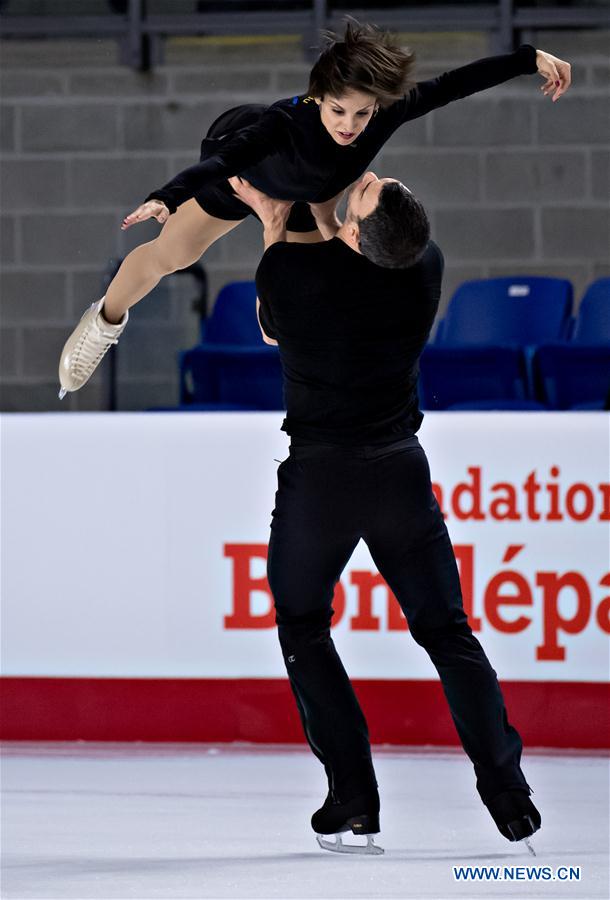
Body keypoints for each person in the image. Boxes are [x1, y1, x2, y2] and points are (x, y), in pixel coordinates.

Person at [227, 170, 541, 855]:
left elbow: (272, 326)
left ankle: (354, 798)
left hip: (322, 481)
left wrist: (275, 220)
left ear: (351, 232)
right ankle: (509, 797)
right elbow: (337, 259)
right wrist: (322, 218)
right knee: (447, 632)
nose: (373, 175)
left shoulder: (291, 274)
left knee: (303, 625)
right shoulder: (423, 265)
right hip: (400, 473)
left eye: (366, 190)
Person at [57, 21, 571, 398]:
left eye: (362, 114)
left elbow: (452, 85)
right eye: (338, 111)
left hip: (314, 194)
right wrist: (167, 196)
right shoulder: (285, 124)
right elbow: (228, 158)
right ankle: (104, 319)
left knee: (302, 300)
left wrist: (528, 59)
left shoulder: (380, 115)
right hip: (244, 174)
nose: (350, 125)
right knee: (172, 255)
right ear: (318, 96)